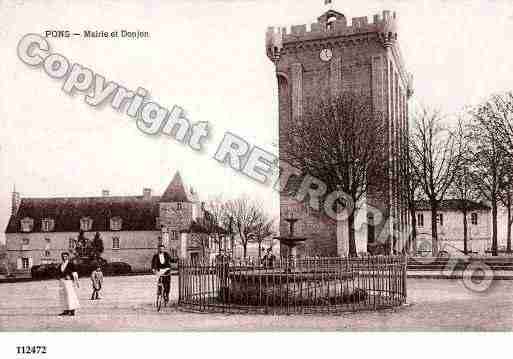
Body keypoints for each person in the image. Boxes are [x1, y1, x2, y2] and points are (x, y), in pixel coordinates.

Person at [57, 252, 80, 316]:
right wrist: (59, 277)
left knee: (70, 296)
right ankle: (65, 310)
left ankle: (72, 310)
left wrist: (75, 281)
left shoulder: (71, 264)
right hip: (62, 282)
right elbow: (58, 273)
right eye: (63, 256)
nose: (64, 257)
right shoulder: (61, 265)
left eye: (66, 256)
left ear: (68, 257)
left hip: (69, 282)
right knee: (63, 296)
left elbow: (75, 273)